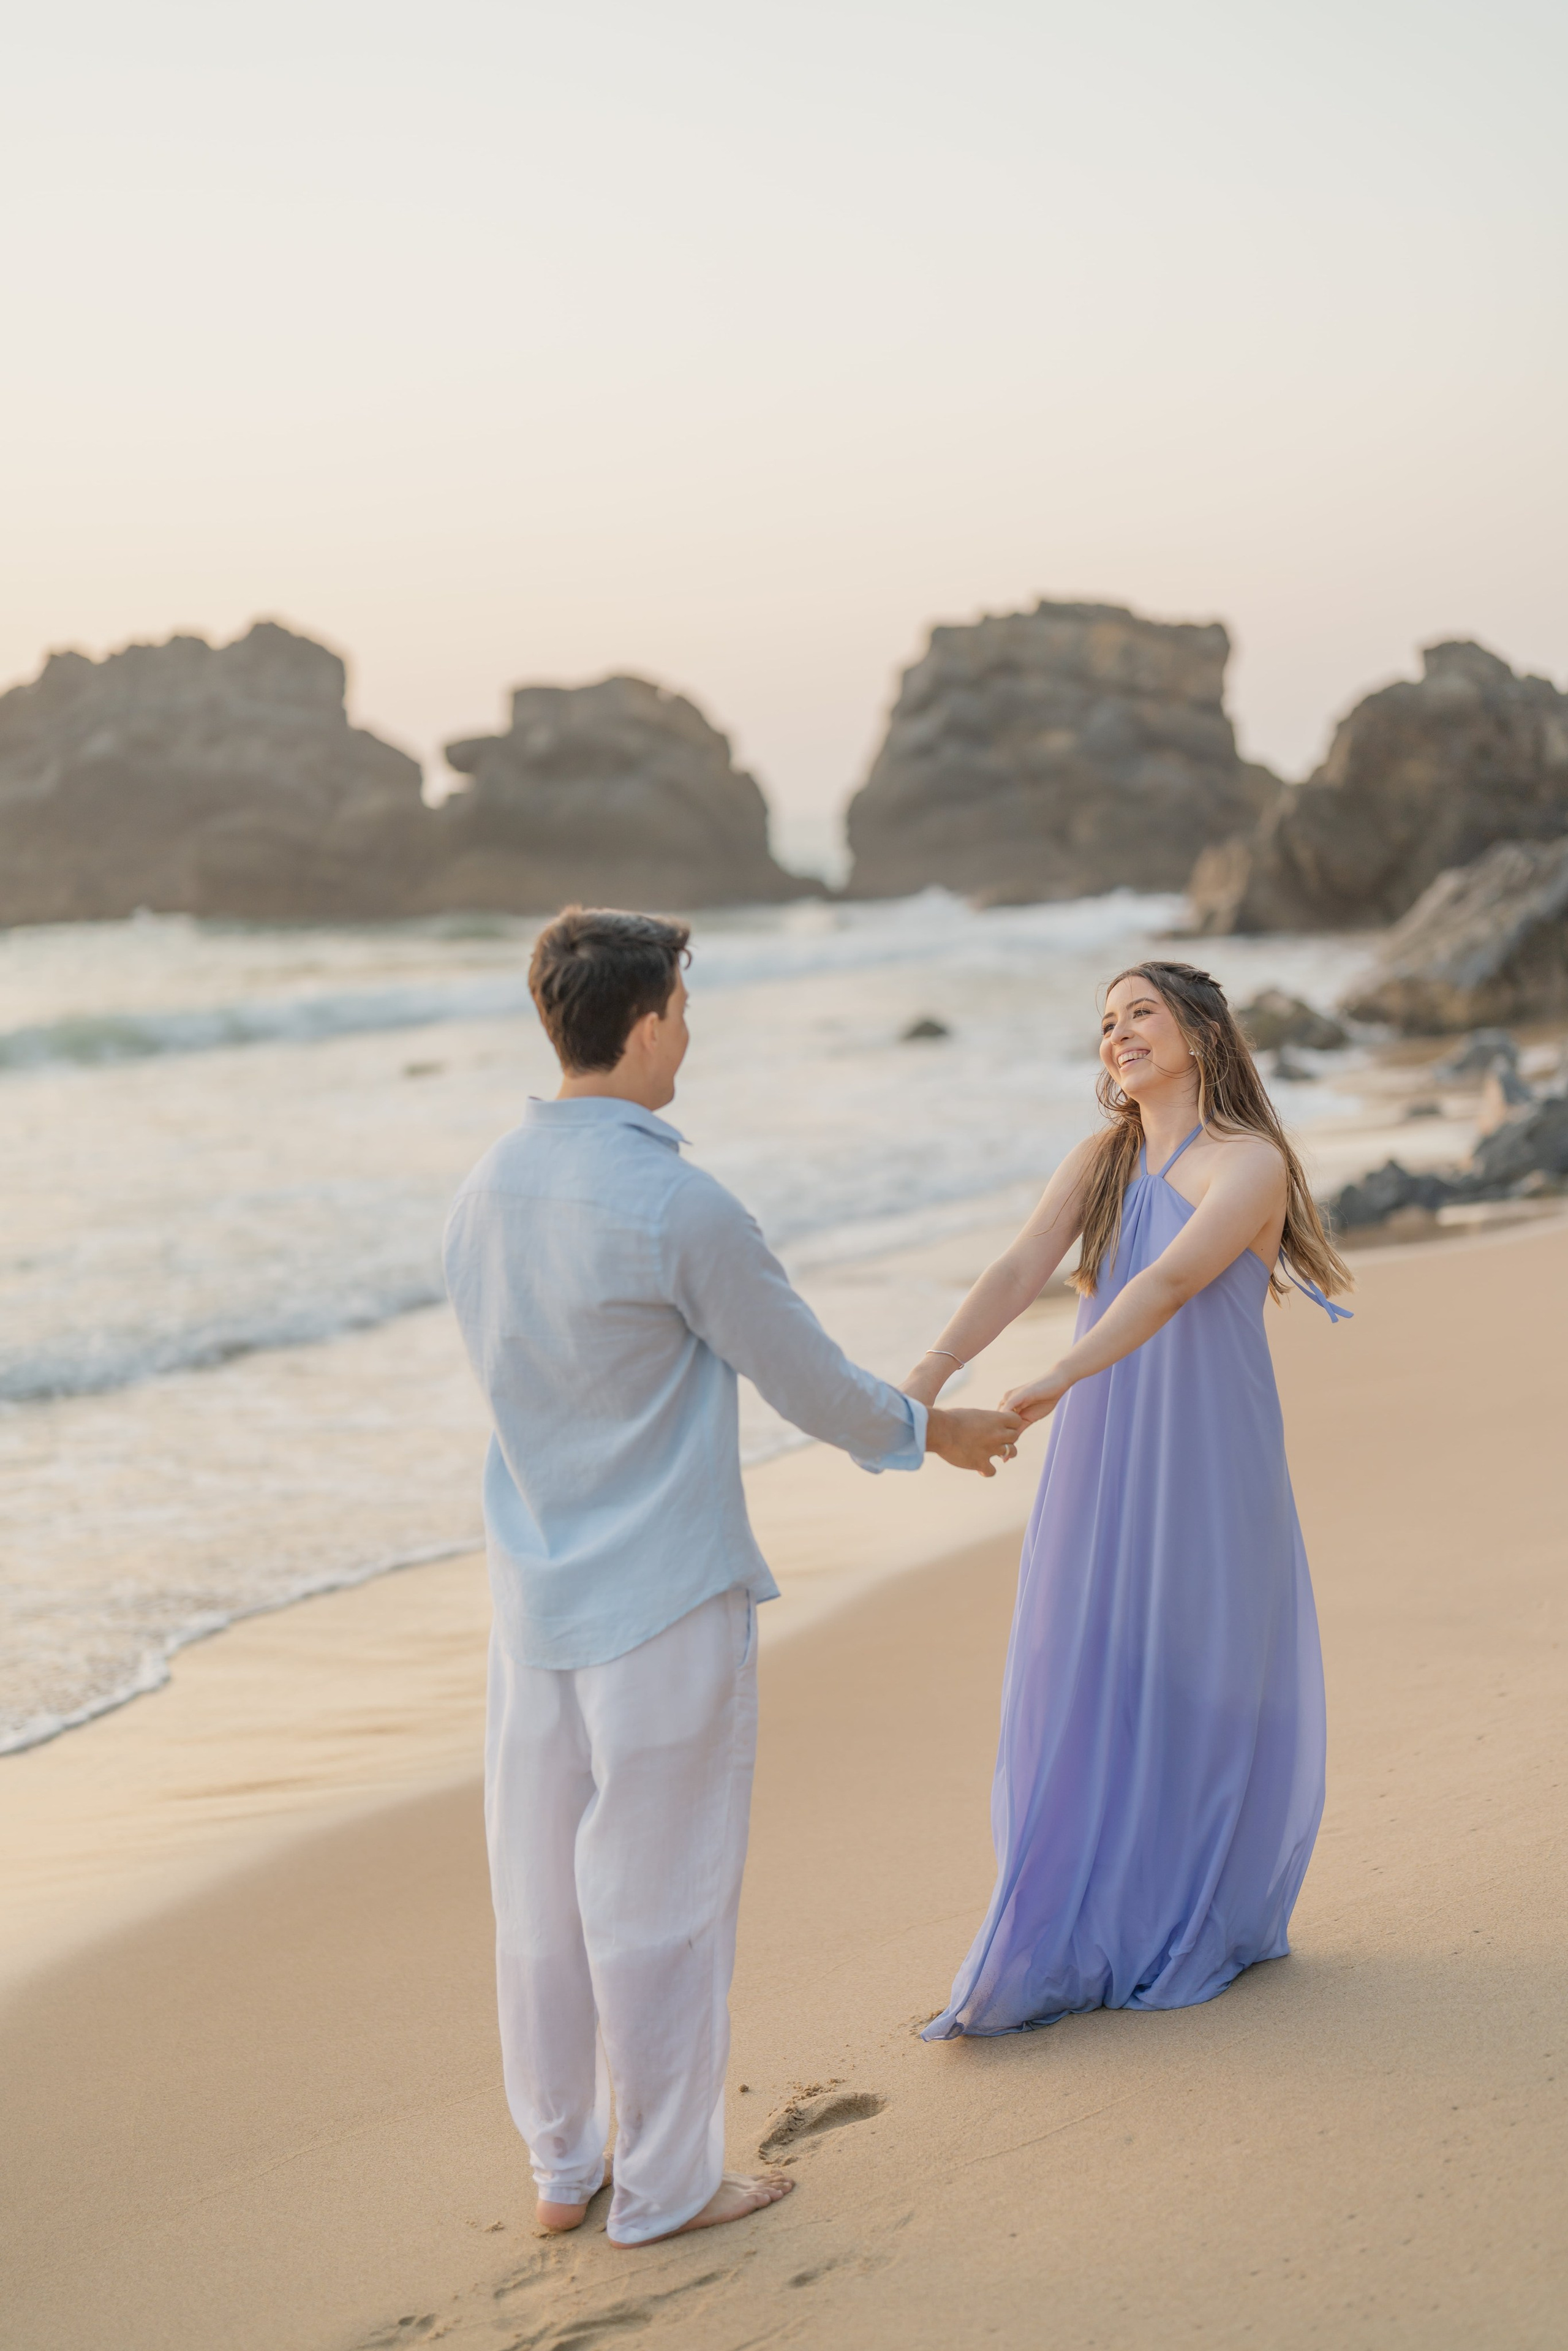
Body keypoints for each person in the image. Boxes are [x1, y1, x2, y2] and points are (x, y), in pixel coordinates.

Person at [443, 906, 1021, 2247]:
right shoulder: (674, 1198)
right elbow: (802, 1373)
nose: (687, 1037)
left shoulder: (485, 1183)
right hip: (659, 1593)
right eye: (683, 1014)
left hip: (529, 1597)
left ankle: (559, 2163)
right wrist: (931, 1427)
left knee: (535, 1898)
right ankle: (663, 2185)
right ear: (644, 1022)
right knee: (658, 1900)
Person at [904, 960, 1352, 2040]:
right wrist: (929, 1375)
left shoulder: (1250, 1161)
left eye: (1140, 1011)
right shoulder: (1103, 1159)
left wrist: (1064, 1373)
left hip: (1205, 1450)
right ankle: (1078, 1907)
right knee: (1087, 1658)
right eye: (1106, 1022)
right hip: (1105, 1448)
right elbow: (1021, 1266)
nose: (1119, 1033)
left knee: (1201, 1665)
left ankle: (1195, 1911)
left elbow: (1168, 1281)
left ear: (1201, 1029)